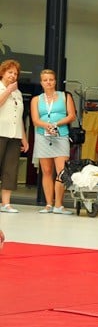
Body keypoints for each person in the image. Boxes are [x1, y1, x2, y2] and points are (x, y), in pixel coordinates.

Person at [30, 69, 77, 214]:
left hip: (61, 135)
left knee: (61, 172)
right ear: (41, 82)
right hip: (43, 135)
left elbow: (72, 116)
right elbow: (35, 120)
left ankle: (59, 205)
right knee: (47, 171)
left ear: (55, 81)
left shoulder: (65, 96)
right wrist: (47, 126)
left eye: (51, 79)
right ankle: (48, 204)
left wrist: (56, 124)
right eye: (45, 80)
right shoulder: (36, 100)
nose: (48, 82)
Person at [0, 59, 29, 213]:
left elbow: (19, 117)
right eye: (10, 72)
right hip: (0, 132)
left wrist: (24, 138)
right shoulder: (6, 89)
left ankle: (6, 203)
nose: (13, 75)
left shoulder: (17, 93)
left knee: (10, 169)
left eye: (15, 73)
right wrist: (8, 90)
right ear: (3, 72)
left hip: (14, 135)